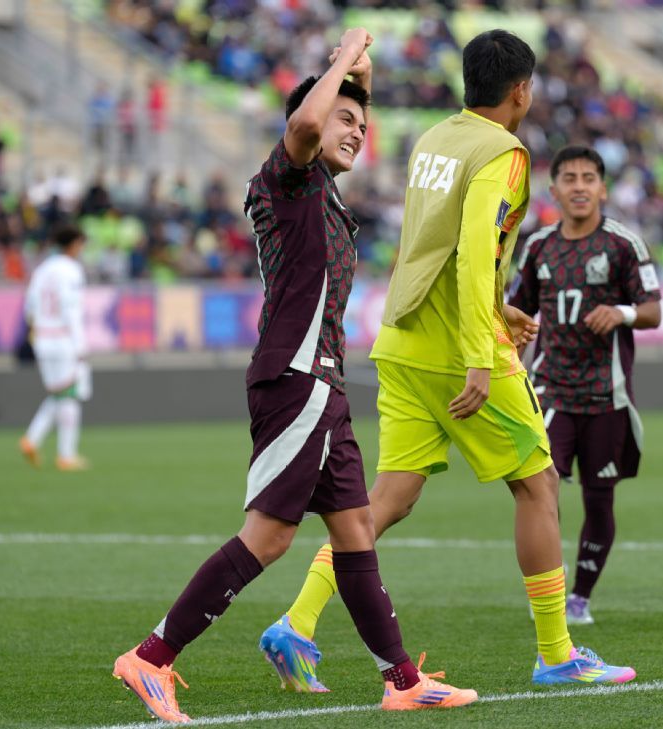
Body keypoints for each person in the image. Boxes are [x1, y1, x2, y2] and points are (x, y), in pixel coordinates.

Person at [109, 29, 476, 724]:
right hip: (296, 379)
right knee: (270, 535)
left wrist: (357, 77)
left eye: (363, 123)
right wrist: (345, 54)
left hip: (325, 385)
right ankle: (151, 658)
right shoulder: (287, 176)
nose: (357, 130)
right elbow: (308, 123)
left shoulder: (327, 194)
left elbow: (330, 118)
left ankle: (402, 680)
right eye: (346, 118)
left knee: (356, 530)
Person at [258, 30, 636, 693]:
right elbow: (471, 249)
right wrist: (480, 353)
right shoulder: (503, 152)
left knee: (387, 498)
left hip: (403, 341)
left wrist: (498, 306)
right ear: (522, 92)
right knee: (538, 485)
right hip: (457, 348)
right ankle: (557, 652)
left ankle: (298, 622)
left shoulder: (435, 138)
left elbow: (429, 242)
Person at [506, 145, 662, 625]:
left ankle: (580, 598)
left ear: (602, 188)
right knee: (539, 490)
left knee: (599, 498)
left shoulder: (623, 244)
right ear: (553, 190)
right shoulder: (538, 247)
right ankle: (549, 595)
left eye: (588, 178)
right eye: (569, 178)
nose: (579, 186)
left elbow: (654, 311)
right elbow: (517, 313)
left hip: (606, 394)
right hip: (549, 389)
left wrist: (622, 312)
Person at [19, 224, 90, 471]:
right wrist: (80, 344)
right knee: (70, 394)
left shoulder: (42, 270)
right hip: (63, 338)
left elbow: (29, 307)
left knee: (59, 394)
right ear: (73, 244)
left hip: (42, 338)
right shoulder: (71, 270)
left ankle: (32, 439)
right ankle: (66, 455)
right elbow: (71, 309)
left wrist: (36, 332)